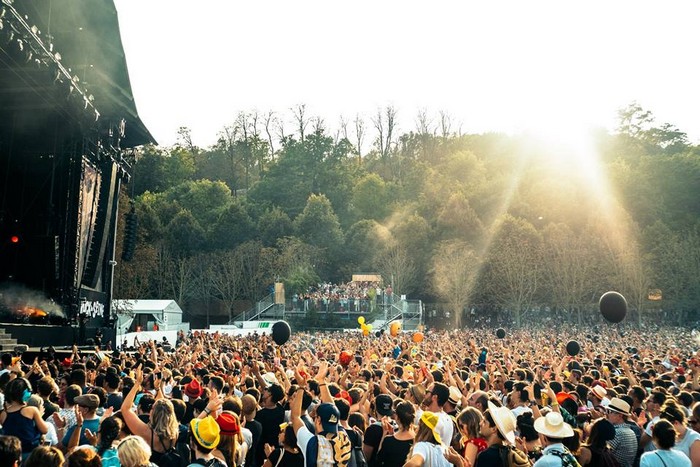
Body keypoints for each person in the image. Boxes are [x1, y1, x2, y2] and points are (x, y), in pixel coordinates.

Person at [120, 366, 181, 466]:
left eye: (152, 408)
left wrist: (137, 384)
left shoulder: (147, 433)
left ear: (153, 413)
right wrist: (157, 388)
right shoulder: (174, 433)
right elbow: (162, 407)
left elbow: (125, 409)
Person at [0, 378, 49, 458]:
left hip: (12, 455)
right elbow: (44, 430)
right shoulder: (32, 410)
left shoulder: (3, 414)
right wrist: (39, 416)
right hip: (31, 454)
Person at [375, 401, 416, 467]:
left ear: (397, 417)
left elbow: (378, 460)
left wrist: (384, 434)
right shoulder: (417, 440)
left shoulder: (388, 440)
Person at [475, 402, 516, 466]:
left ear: (494, 429)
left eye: (484, 422)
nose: (480, 423)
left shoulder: (486, 457)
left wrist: (459, 463)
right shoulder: (508, 452)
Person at [605, 398, 637, 467]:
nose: (606, 414)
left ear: (620, 416)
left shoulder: (617, 433)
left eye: (610, 411)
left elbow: (602, 453)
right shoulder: (631, 431)